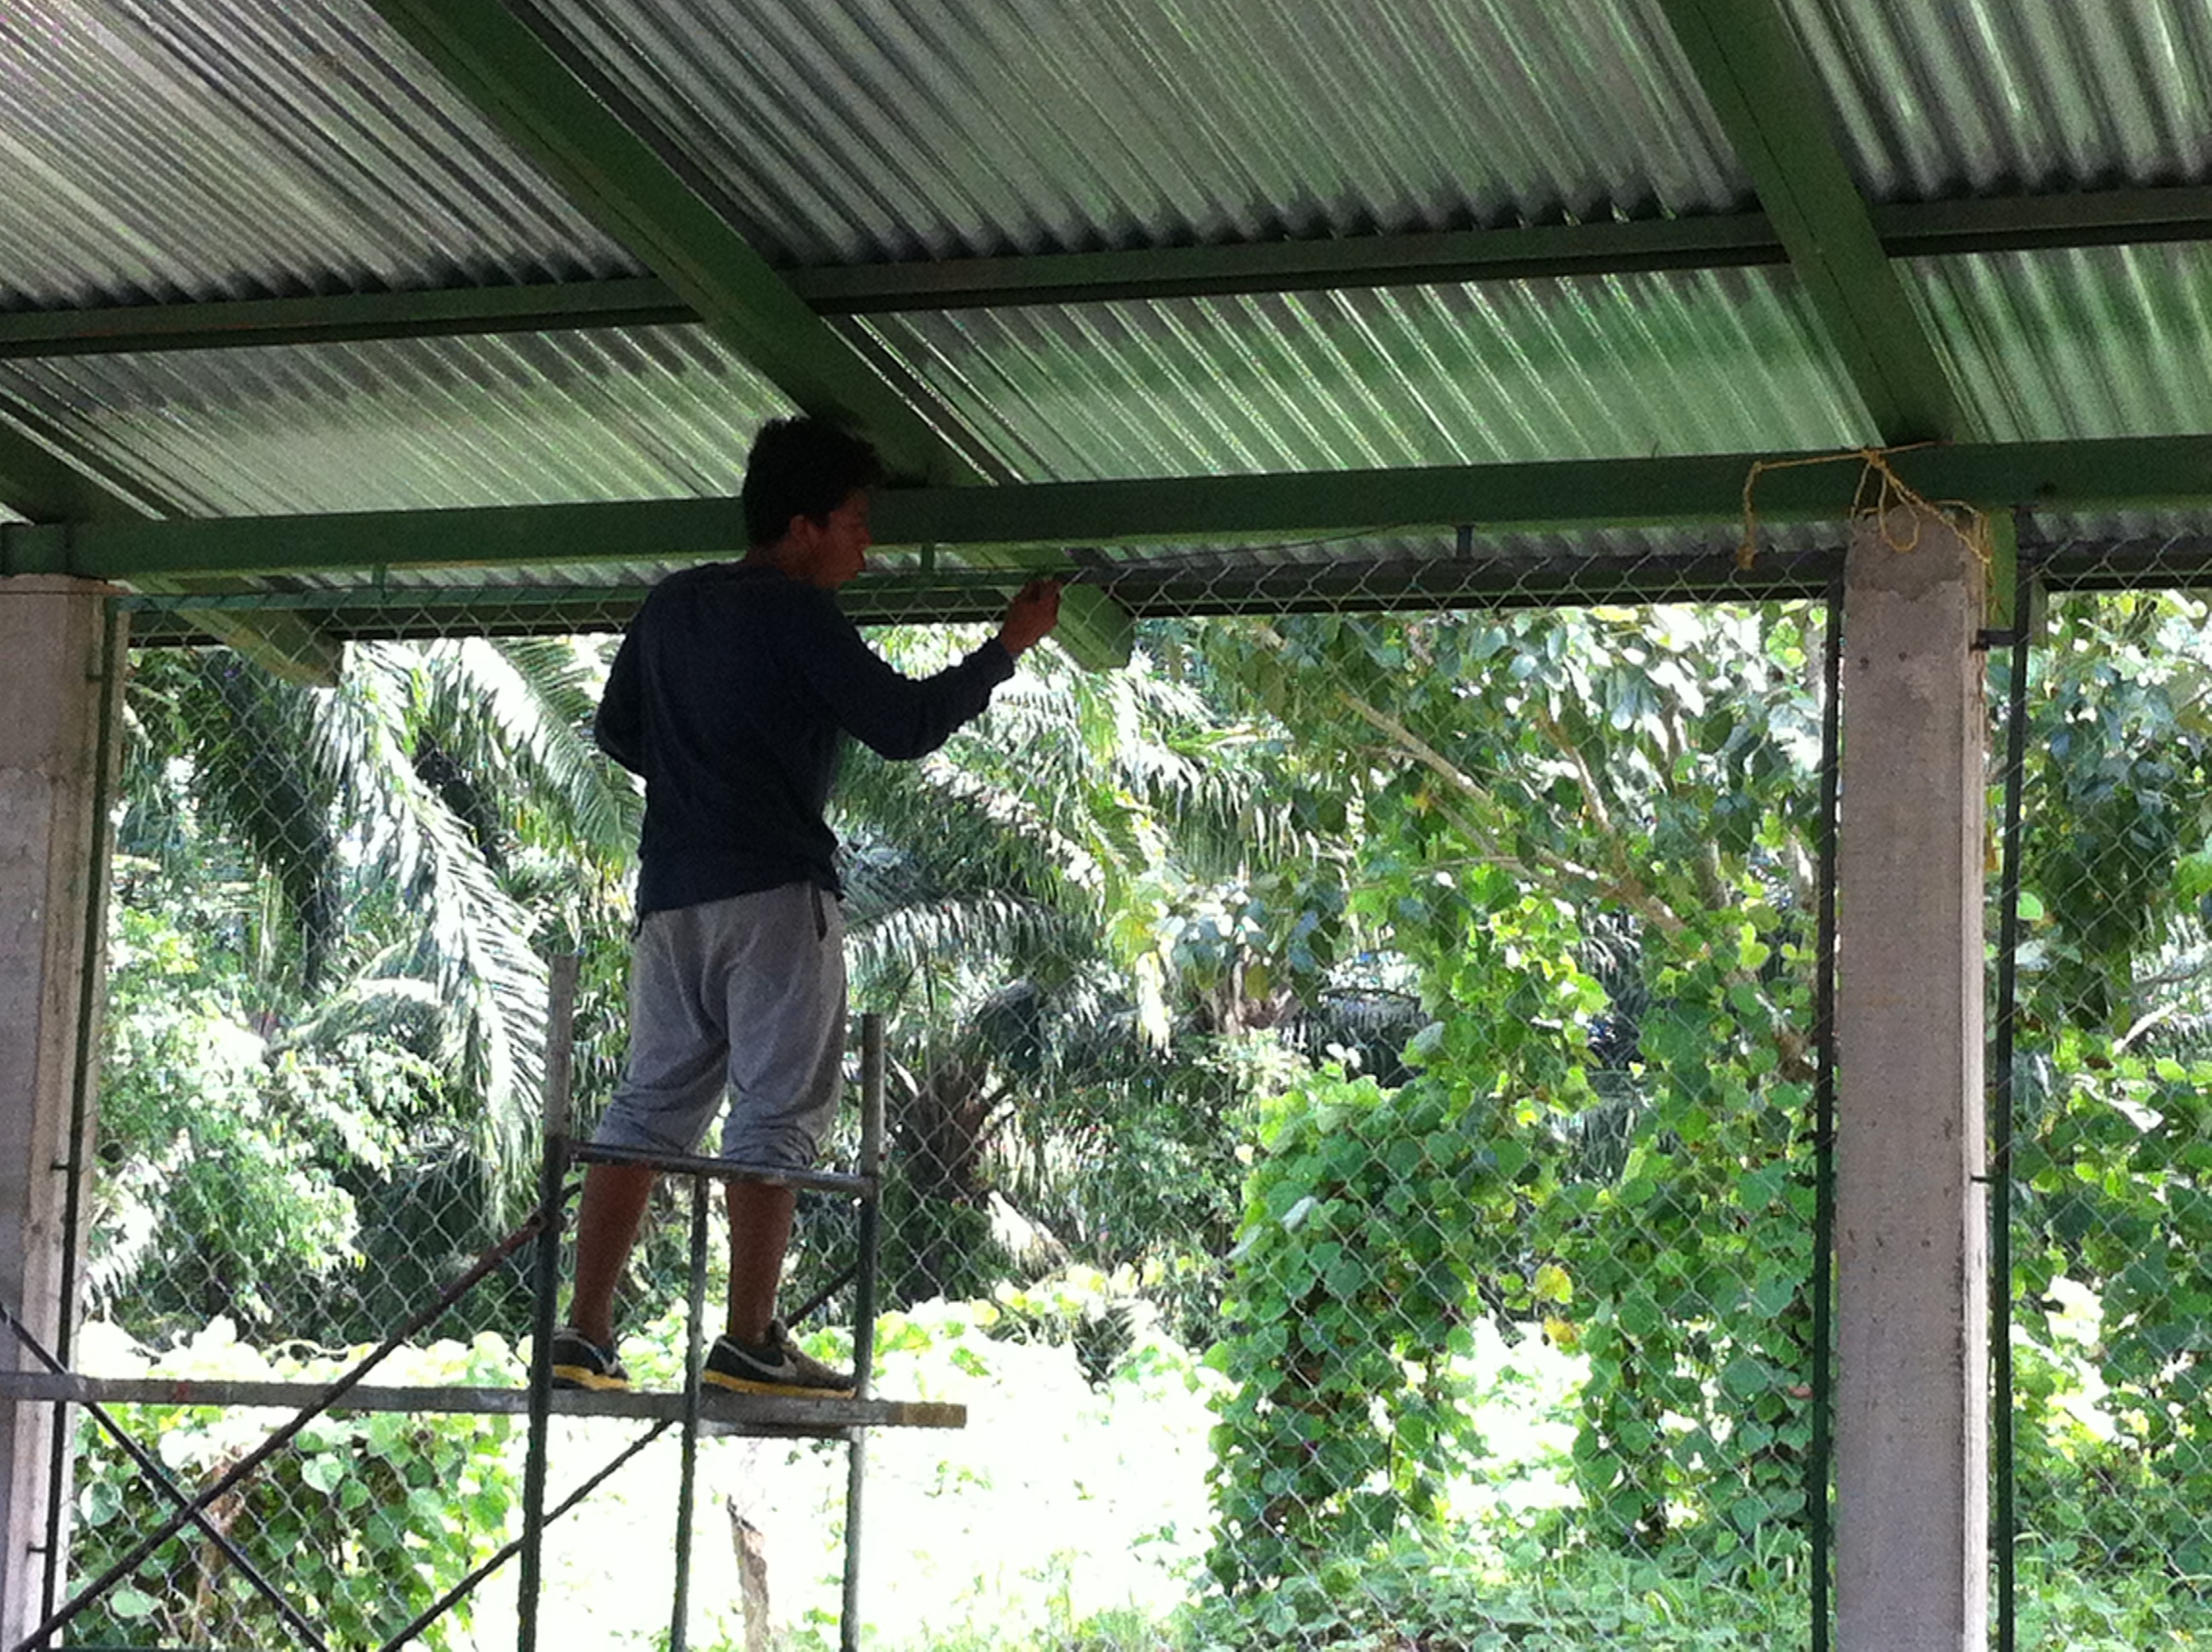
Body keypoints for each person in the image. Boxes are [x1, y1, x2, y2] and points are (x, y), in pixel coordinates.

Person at [552, 416, 1062, 1395]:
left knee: (647, 1108)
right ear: (802, 527)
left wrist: (705, 778)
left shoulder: (671, 604)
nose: (867, 547)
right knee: (776, 1112)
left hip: (670, 899)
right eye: (857, 523)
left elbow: (618, 732)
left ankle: (584, 1332)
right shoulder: (796, 610)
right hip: (776, 895)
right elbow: (903, 724)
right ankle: (749, 1339)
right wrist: (1007, 646)